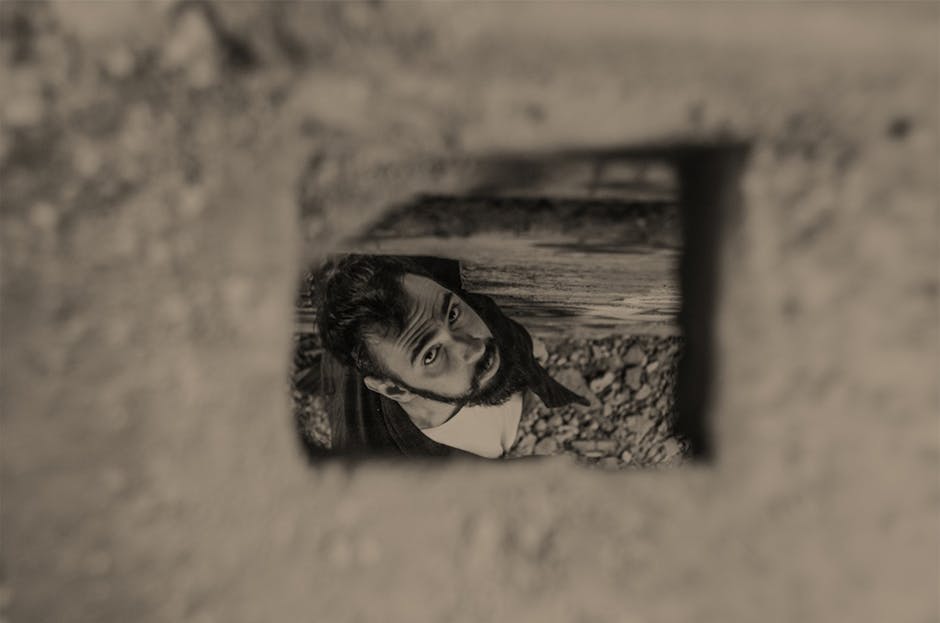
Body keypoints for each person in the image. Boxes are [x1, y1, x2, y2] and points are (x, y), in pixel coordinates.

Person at [315, 254, 588, 458]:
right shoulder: (390, 473)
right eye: (431, 354)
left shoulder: (437, 297)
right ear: (394, 388)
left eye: (453, 314)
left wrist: (531, 355)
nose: (474, 347)